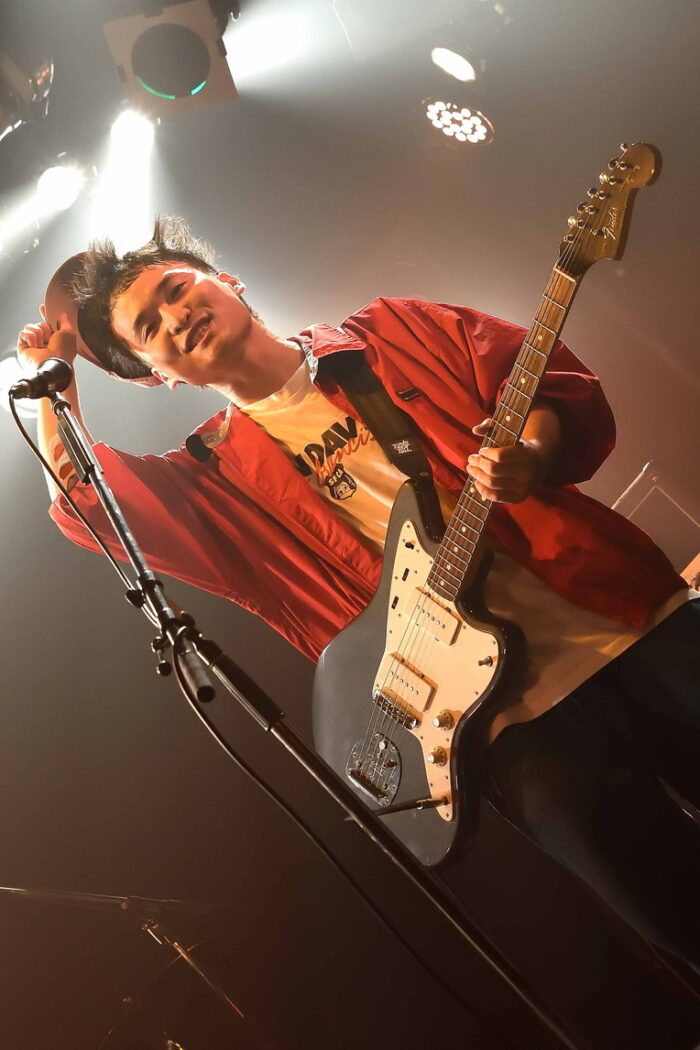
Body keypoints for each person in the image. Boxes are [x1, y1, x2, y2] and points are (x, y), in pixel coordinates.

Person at [18, 217, 700, 972]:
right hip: (501, 726)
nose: (176, 316)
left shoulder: (389, 333)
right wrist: (56, 386)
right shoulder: (214, 481)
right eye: (150, 327)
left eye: (177, 289)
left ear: (228, 282)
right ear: (158, 376)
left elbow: (533, 378)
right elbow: (84, 504)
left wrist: (530, 455)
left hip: (622, 618)